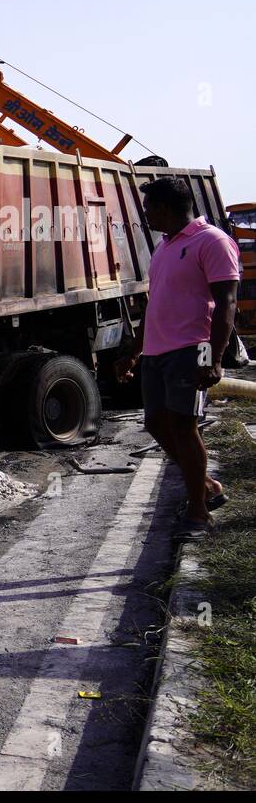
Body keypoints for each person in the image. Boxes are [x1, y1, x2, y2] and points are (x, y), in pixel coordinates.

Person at [116, 177, 240, 540]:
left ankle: (199, 515)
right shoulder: (165, 247)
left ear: (166, 208)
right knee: (156, 423)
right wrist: (134, 352)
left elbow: (227, 304)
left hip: (191, 348)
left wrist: (214, 358)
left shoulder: (212, 241)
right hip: (157, 351)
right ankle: (207, 485)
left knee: (184, 427)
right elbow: (155, 304)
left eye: (149, 207)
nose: (146, 214)